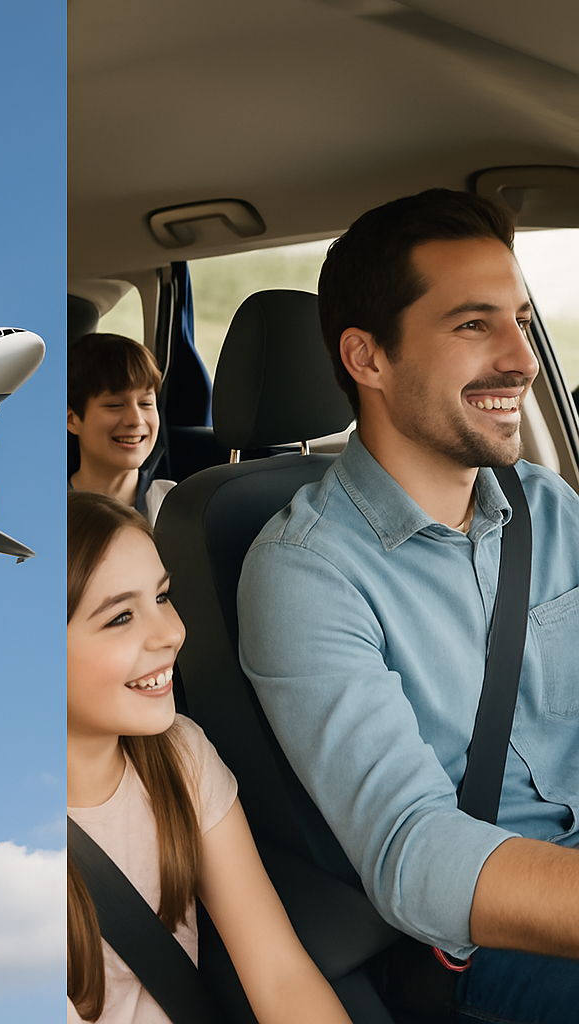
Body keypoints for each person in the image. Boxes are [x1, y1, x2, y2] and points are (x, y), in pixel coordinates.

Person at [238, 188, 579, 1021]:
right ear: (368, 359)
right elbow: (411, 849)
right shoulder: (303, 573)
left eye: (521, 321)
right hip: (491, 948)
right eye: (473, 325)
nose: (522, 359)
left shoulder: (549, 505)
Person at [67, 490, 351, 1024]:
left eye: (163, 596)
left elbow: (278, 973)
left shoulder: (181, 756)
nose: (172, 632)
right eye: (121, 617)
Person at [68, 333, 175, 523]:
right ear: (71, 419)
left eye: (146, 403)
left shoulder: (175, 505)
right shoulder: (50, 508)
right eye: (114, 405)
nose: (135, 420)